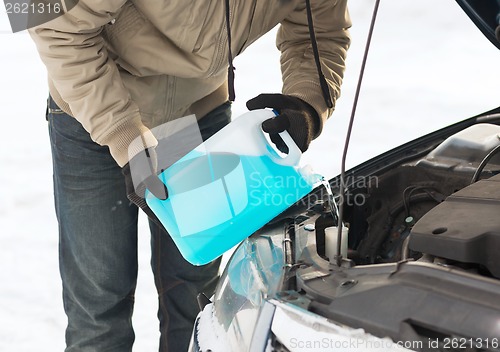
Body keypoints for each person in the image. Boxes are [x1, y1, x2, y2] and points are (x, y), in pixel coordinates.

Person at [29, 0, 351, 351]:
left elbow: (319, 31)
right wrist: (124, 135)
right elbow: (51, 24)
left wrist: (306, 102)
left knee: (195, 297)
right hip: (94, 112)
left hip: (194, 117)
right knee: (99, 300)